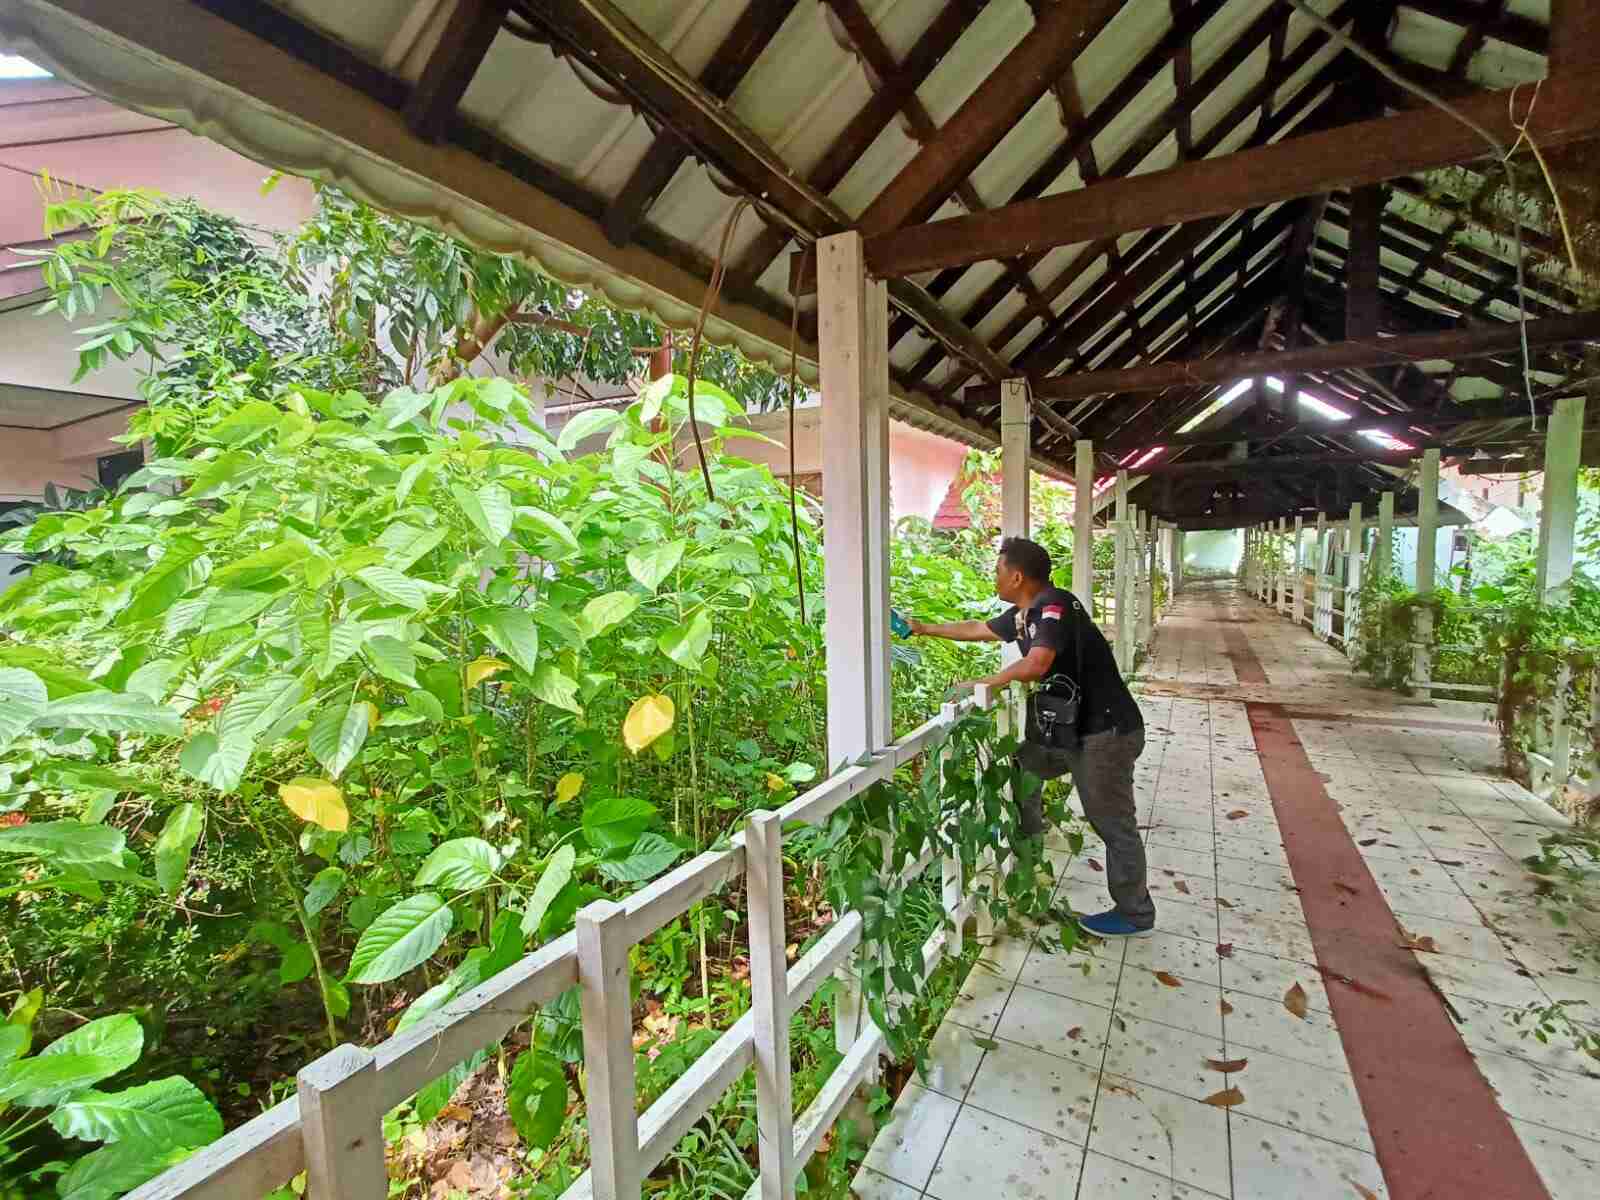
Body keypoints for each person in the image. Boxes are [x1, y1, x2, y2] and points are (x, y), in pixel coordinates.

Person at [908, 536, 1155, 937]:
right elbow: (978, 628)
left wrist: (988, 681)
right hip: (1074, 731)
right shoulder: (1025, 612)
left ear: (1016, 575)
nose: (995, 575)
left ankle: (1136, 913)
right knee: (1026, 764)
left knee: (1111, 821)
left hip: (1105, 733)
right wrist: (922, 629)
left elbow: (1038, 662)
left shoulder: (1054, 606)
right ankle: (1031, 846)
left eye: (998, 569)